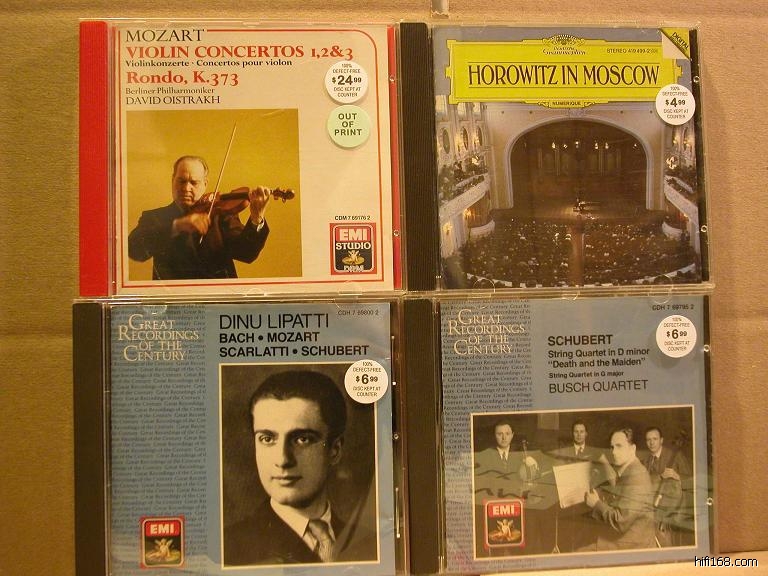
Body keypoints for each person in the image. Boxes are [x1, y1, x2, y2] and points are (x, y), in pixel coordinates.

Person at [224, 370, 375, 566]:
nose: (283, 460)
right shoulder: (229, 549)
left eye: (302, 439)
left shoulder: (370, 544)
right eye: (267, 439)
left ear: (334, 450)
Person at [128, 155, 270, 280]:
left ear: (205, 184)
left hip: (217, 296)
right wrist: (176, 226)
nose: (186, 188)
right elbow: (134, 250)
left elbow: (246, 254)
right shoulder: (154, 218)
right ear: (173, 180)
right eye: (181, 181)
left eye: (194, 182)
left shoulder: (221, 215)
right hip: (173, 297)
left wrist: (256, 218)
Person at [583, 428, 655, 550]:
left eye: (619, 446)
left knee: (576, 554)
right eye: (612, 447)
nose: (614, 452)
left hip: (632, 546)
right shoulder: (630, 470)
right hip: (628, 539)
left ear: (633, 449)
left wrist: (596, 504)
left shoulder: (637, 477)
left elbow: (620, 522)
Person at [641, 427, 692, 546]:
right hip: (651, 509)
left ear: (661, 440)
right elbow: (643, 484)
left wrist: (678, 476)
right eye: (648, 440)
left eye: (655, 439)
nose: (651, 442)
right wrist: (660, 476)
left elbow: (691, 481)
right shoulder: (646, 461)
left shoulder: (675, 455)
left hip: (672, 510)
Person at [474, 420, 539, 499]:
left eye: (507, 434)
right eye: (499, 434)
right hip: (493, 498)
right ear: (494, 435)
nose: (504, 438)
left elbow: (534, 479)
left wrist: (535, 465)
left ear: (512, 435)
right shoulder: (484, 455)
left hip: (517, 497)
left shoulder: (521, 454)